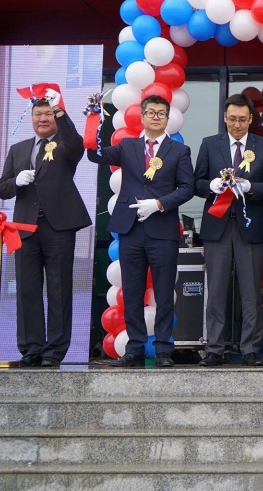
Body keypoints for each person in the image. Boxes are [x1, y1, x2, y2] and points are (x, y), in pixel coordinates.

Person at [87, 95, 194, 368]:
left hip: (162, 230)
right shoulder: (128, 146)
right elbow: (94, 153)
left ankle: (162, 349)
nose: (156, 116)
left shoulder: (179, 151)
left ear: (167, 118)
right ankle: (134, 349)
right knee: (132, 291)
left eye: (161, 113)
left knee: (162, 292)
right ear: (142, 116)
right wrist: (93, 120)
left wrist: (159, 203)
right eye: (151, 112)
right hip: (131, 229)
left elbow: (187, 188)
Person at [0, 95, 91, 368]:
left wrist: (61, 109)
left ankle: (54, 352)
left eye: (49, 114)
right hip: (24, 228)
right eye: (39, 114)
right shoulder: (18, 149)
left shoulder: (65, 144)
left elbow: (76, 142)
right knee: (27, 290)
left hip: (58, 226)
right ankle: (31, 349)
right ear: (32, 118)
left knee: (59, 289)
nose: (43, 119)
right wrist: (17, 180)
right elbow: (2, 188)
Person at [193, 94, 263, 367]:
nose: (237, 124)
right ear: (225, 117)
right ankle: (215, 349)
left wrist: (250, 188)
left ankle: (250, 348)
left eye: (243, 119)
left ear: (251, 119)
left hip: (249, 224)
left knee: (251, 291)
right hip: (217, 225)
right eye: (232, 119)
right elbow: (196, 182)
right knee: (216, 290)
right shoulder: (210, 144)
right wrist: (211, 186)